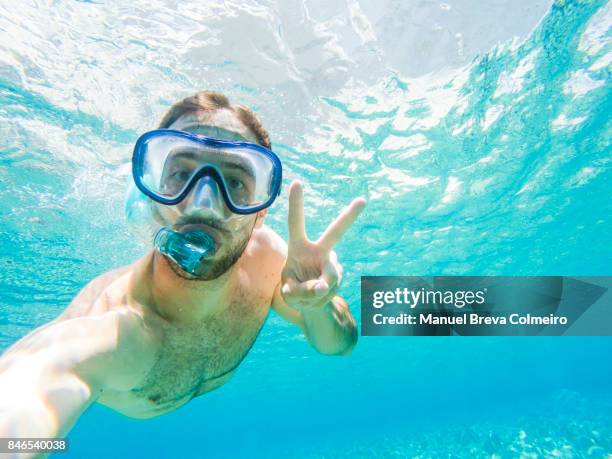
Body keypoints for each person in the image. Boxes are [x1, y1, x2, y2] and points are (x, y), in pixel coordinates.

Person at [0, 91, 366, 439]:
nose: (203, 203)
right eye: (180, 175)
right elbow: (35, 379)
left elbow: (341, 345)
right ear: (153, 198)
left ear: (260, 212)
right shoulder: (118, 332)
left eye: (235, 181)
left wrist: (318, 305)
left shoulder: (267, 261)